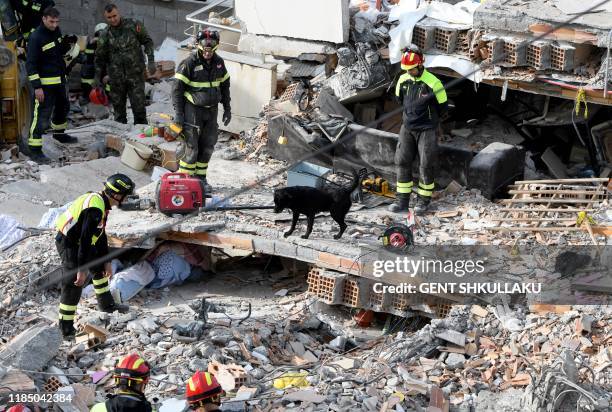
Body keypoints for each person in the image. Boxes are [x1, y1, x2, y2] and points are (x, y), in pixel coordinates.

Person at [55, 174, 134, 339]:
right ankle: (65, 328)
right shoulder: (95, 210)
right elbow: (84, 240)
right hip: (69, 242)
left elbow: (99, 235)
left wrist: (106, 261)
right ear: (117, 195)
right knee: (73, 284)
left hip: (80, 241)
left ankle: (106, 305)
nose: (127, 199)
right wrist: (81, 269)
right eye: (126, 196)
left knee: (99, 269)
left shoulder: (100, 202)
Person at [388, 48, 448, 214]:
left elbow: (443, 107)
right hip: (407, 128)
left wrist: (430, 120)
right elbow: (400, 99)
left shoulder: (433, 83)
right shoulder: (403, 80)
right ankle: (402, 200)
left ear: (421, 65)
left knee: (426, 165)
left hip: (427, 130)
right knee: (401, 162)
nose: (409, 72)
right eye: (407, 69)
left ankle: (423, 202)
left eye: (412, 68)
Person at [172, 29, 231, 193]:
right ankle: (185, 182)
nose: (207, 53)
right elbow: (176, 90)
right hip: (193, 111)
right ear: (199, 46)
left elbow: (225, 86)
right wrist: (178, 114)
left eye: (210, 49)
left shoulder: (219, 63)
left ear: (216, 47)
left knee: (207, 147)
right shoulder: (189, 63)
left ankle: (200, 180)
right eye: (205, 49)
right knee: (192, 148)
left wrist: (227, 108)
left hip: (211, 112)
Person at [25, 6, 78, 162]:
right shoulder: (36, 37)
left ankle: (59, 134)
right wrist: (37, 87)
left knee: (63, 108)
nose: (55, 25)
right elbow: (31, 64)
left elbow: (58, 51)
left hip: (59, 81)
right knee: (41, 117)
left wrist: (67, 44)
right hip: (45, 86)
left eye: (57, 22)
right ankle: (34, 150)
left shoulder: (56, 31)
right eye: (51, 22)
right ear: (44, 19)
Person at [94, 3, 155, 125]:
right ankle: (120, 141)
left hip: (135, 76)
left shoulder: (133, 25)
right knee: (119, 115)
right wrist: (97, 79)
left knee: (139, 111)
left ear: (118, 12)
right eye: (109, 18)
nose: (113, 19)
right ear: (106, 18)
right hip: (117, 80)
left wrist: (151, 60)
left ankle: (139, 139)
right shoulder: (105, 35)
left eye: (114, 16)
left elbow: (147, 41)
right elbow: (100, 57)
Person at [79, 23, 108, 105]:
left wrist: (109, 75)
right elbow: (89, 59)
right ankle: (87, 96)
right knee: (87, 68)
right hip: (95, 69)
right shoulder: (93, 44)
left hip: (107, 70)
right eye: (99, 33)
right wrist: (91, 44)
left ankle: (109, 98)